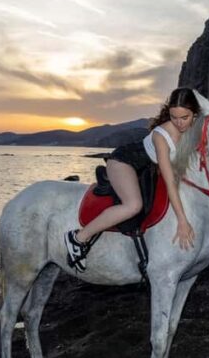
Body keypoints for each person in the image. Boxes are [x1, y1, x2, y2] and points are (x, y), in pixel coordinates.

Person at [65, 87, 200, 271]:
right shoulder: (162, 136)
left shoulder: (197, 126)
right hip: (124, 161)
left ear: (195, 114)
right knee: (133, 205)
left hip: (148, 168)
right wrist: (182, 221)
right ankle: (78, 238)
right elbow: (169, 181)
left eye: (184, 118)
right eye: (173, 117)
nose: (179, 123)